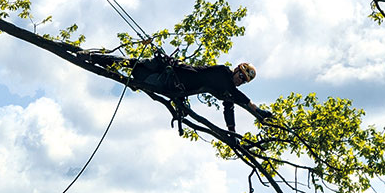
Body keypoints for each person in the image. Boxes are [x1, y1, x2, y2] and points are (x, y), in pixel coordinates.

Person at [86, 51, 272, 133]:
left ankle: (97, 60)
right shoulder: (222, 73)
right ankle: (93, 57)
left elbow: (229, 107)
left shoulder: (226, 90)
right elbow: (239, 99)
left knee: (134, 74)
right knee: (132, 64)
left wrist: (231, 131)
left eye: (243, 81)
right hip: (169, 75)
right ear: (237, 70)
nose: (240, 81)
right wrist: (257, 111)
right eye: (241, 76)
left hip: (167, 85)